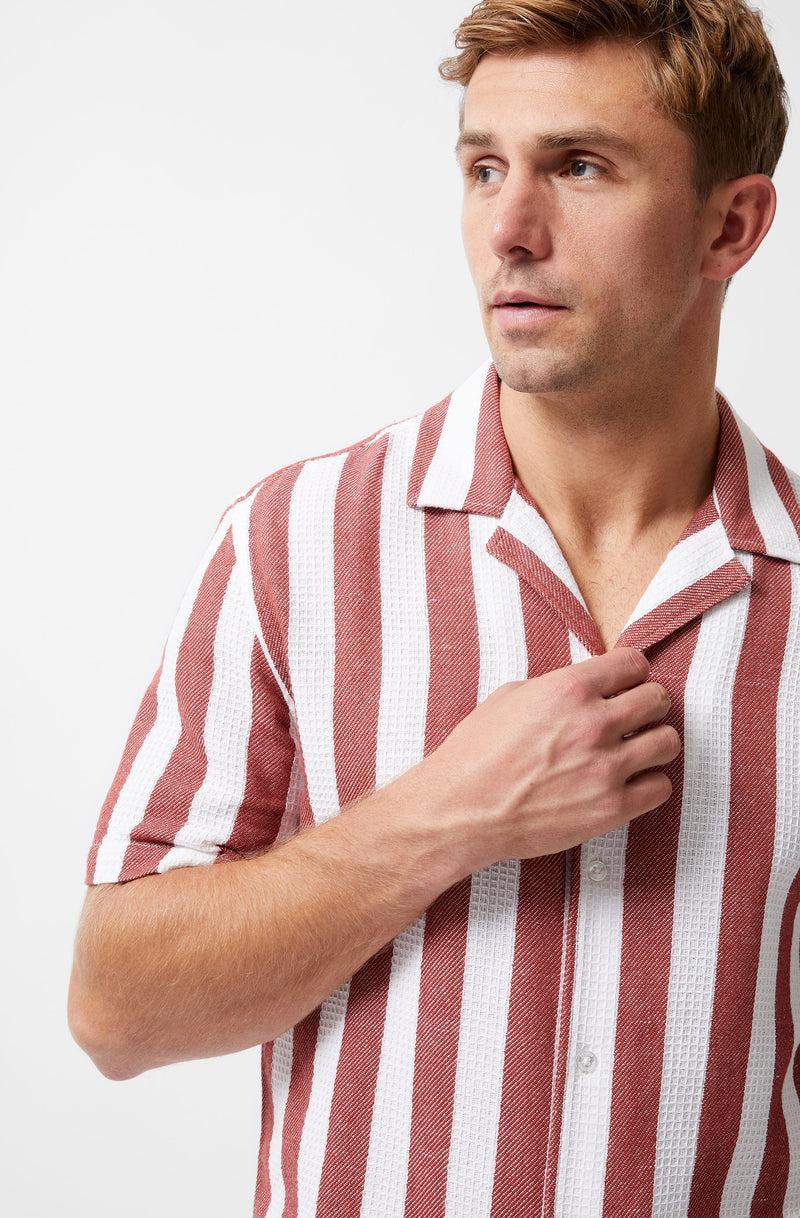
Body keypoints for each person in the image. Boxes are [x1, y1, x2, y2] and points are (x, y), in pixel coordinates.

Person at [68, 2, 799, 1215]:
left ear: (730, 224)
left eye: (578, 167)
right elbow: (116, 1009)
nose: (508, 231)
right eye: (480, 168)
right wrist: (448, 815)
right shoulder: (294, 540)